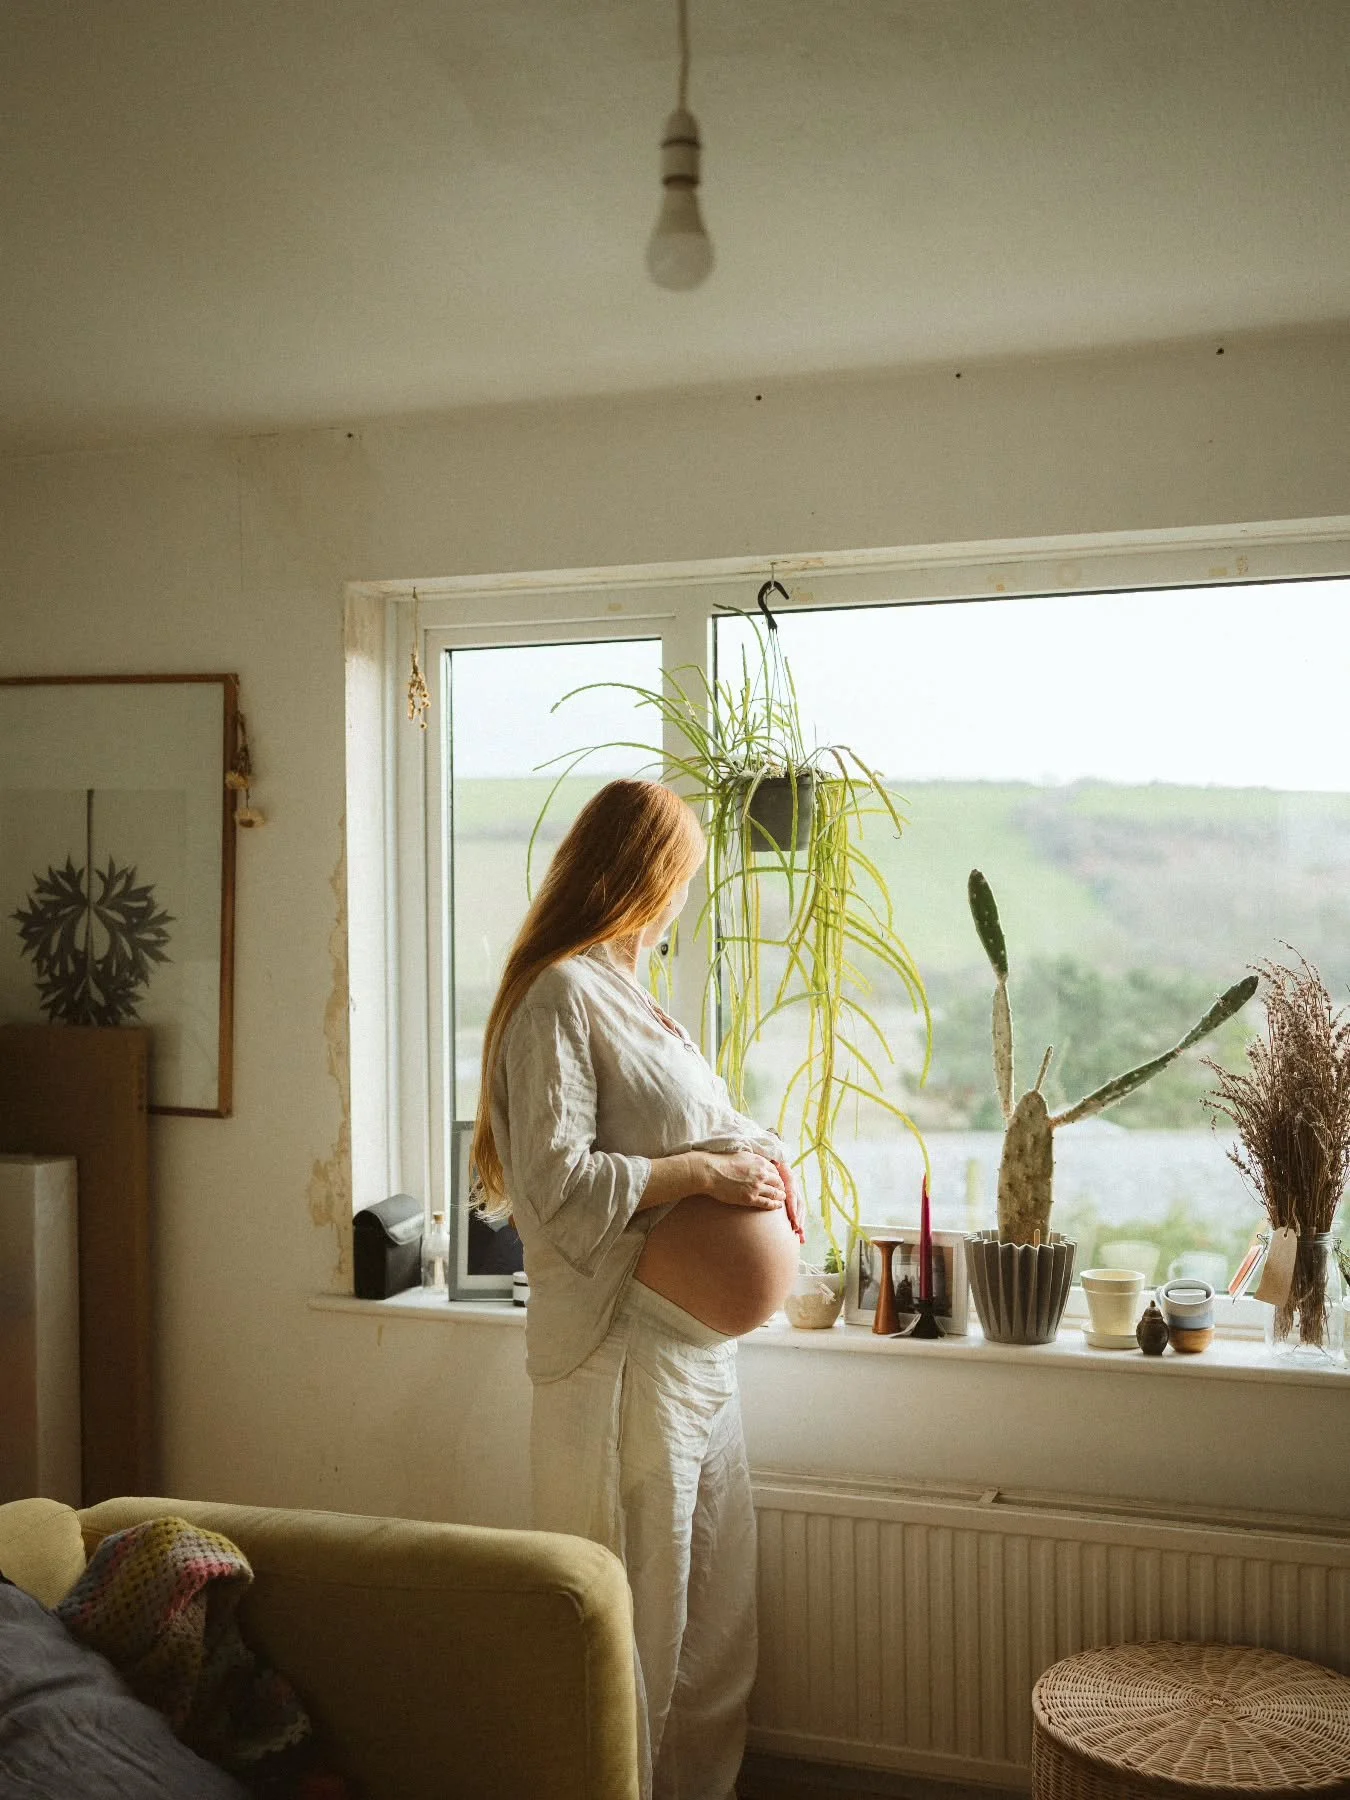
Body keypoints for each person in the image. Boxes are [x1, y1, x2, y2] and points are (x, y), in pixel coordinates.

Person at [471, 778, 804, 1800]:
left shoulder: (638, 996)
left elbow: (685, 1127)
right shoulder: (561, 994)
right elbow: (557, 1192)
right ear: (640, 873)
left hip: (702, 1359)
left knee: (713, 1636)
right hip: (624, 1355)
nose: (679, 903)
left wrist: (754, 1151)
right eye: (677, 879)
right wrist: (705, 1176)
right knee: (637, 1636)